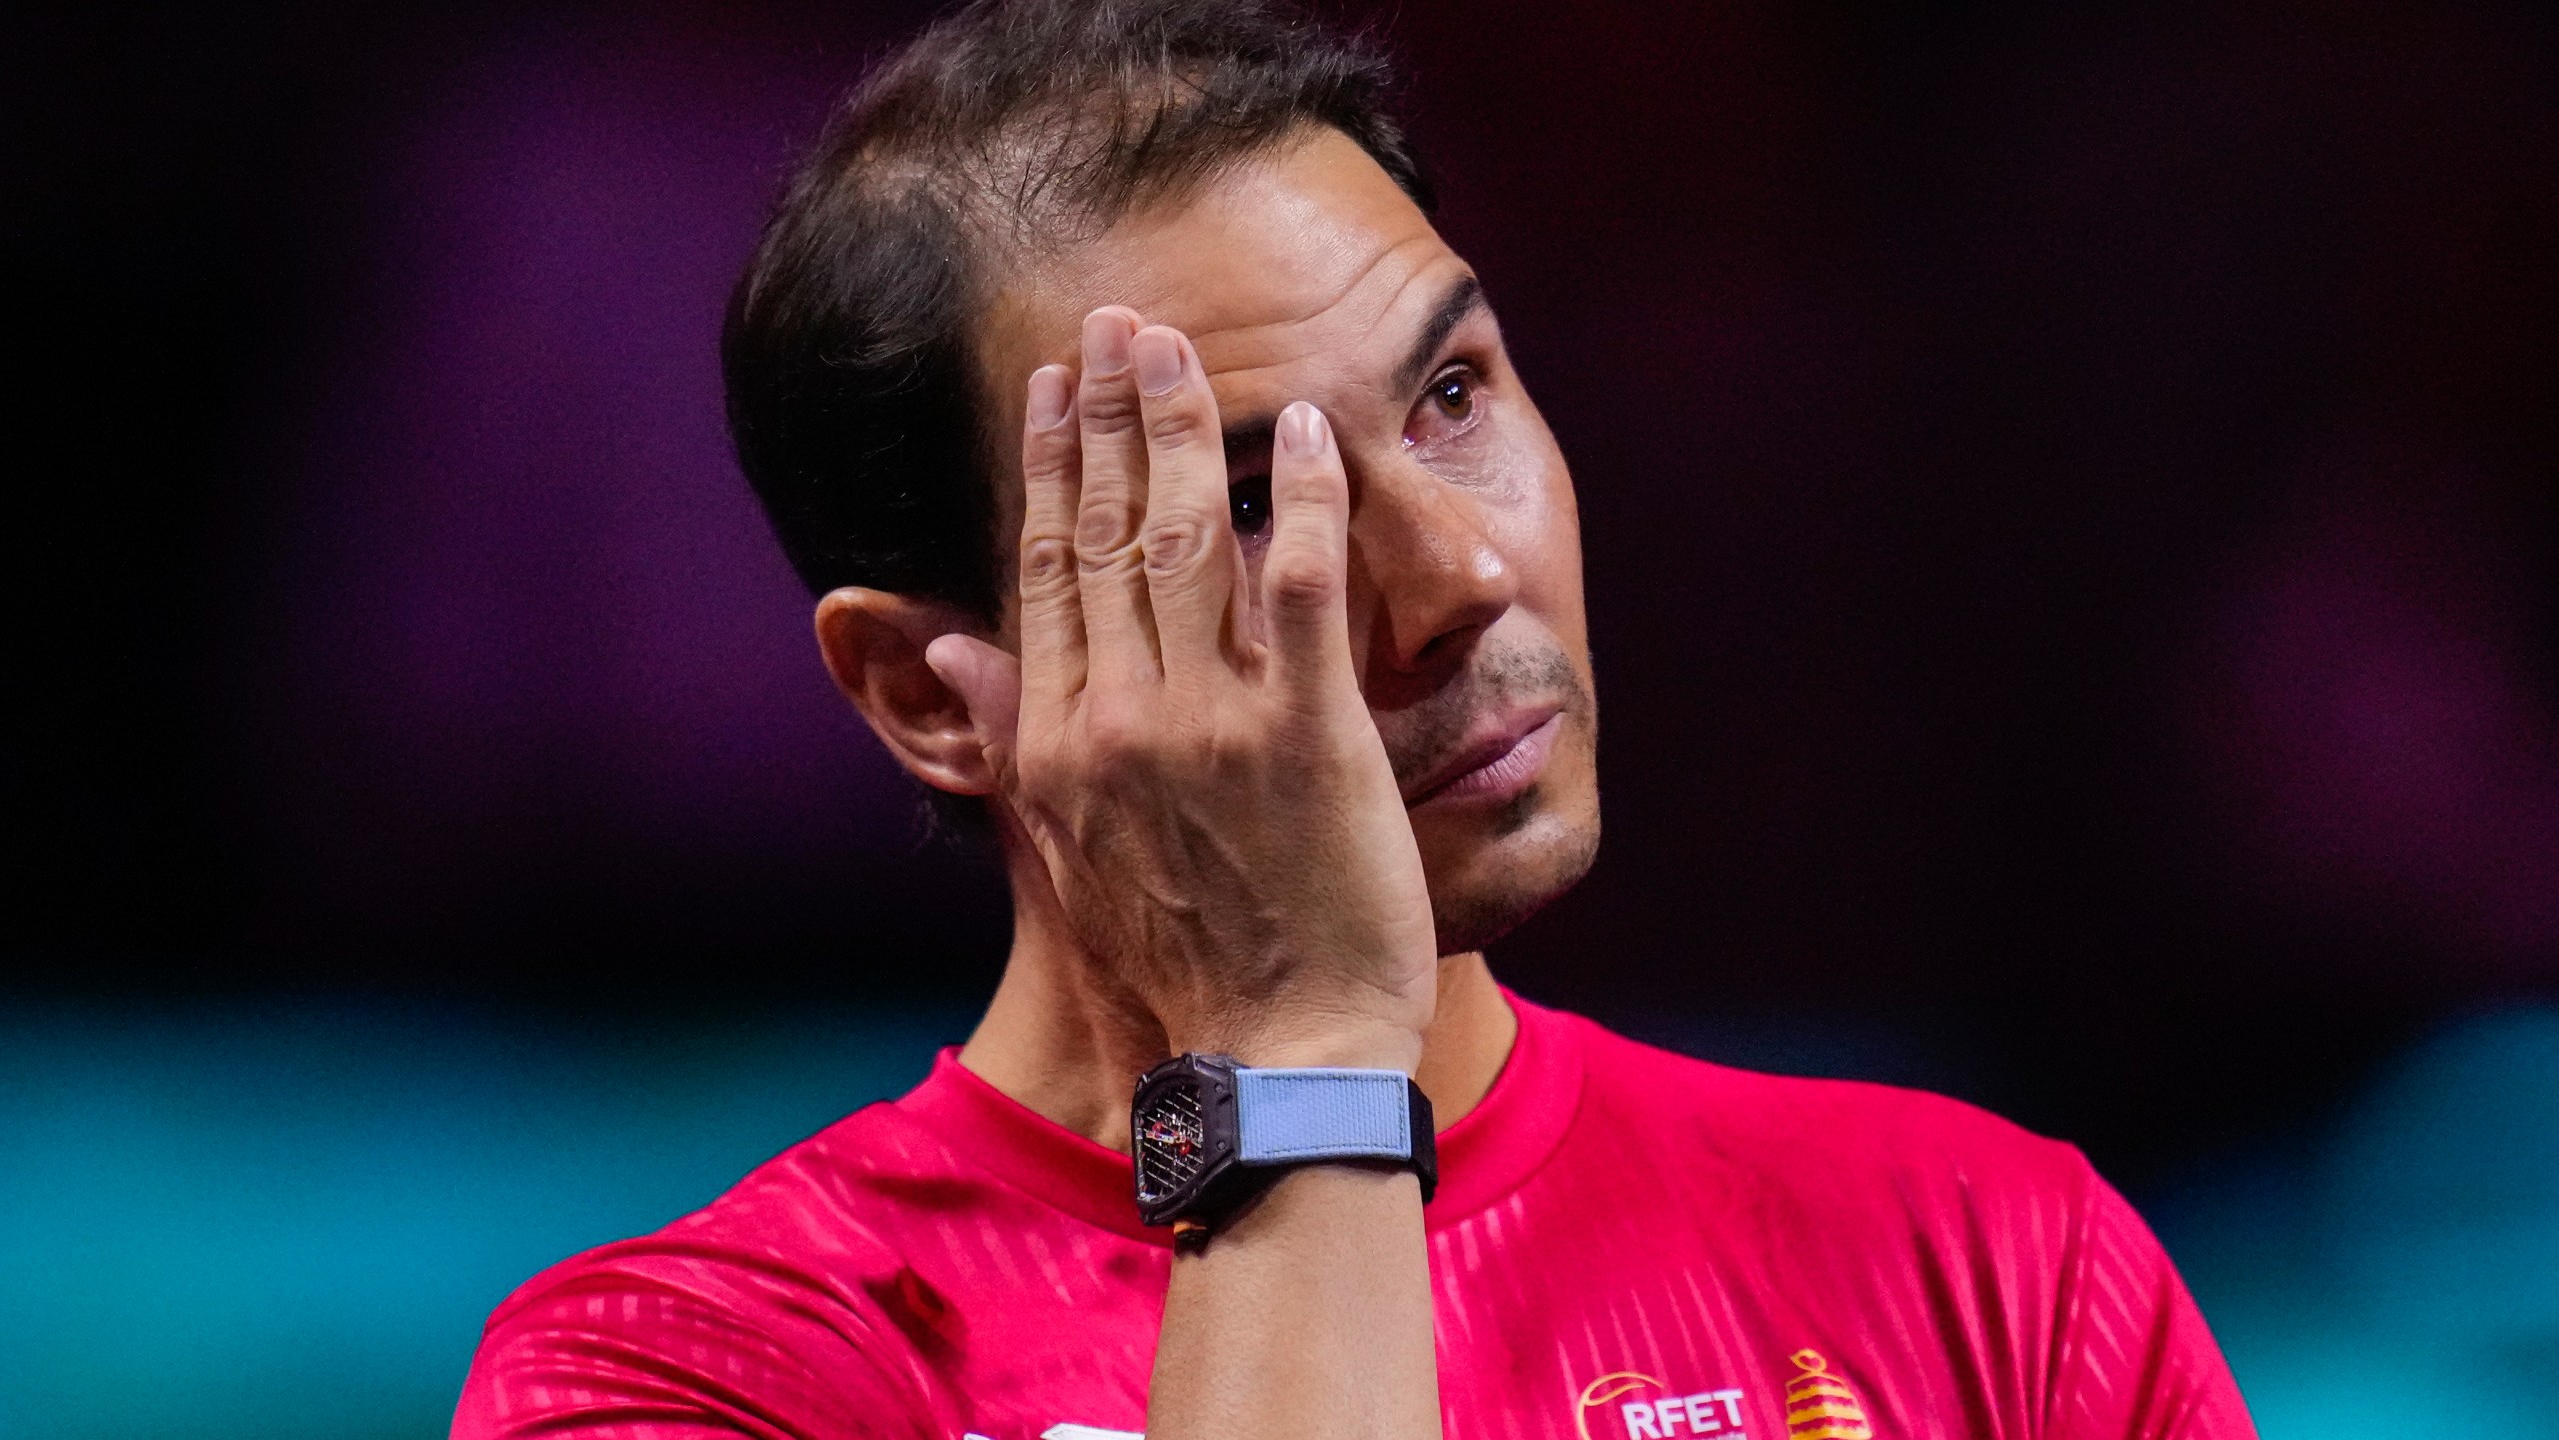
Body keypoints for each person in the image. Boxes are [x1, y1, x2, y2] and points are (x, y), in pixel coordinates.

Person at [454, 2, 2256, 1436]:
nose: (1460, 571)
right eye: (1243, 504)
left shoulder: (1991, 1274)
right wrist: (1295, 1044)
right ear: (936, 694)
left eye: (1454, 392)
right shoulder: (697, 1382)